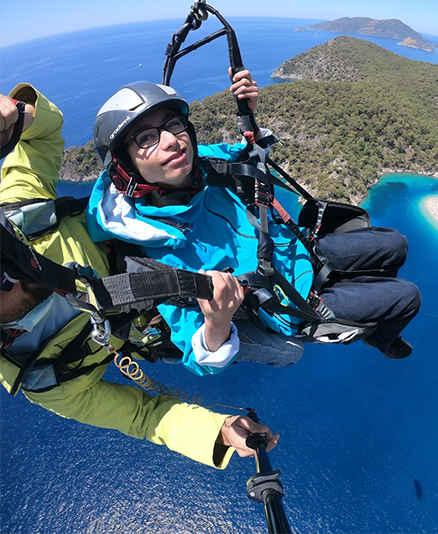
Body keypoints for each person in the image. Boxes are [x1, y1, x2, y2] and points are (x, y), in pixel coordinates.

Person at [0, 84, 278, 469]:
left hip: (149, 226)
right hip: (167, 310)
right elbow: (144, 417)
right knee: (284, 341)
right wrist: (219, 431)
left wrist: (15, 115)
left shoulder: (19, 215)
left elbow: (45, 129)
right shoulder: (47, 381)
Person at [86, 70, 421, 376]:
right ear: (124, 168)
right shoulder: (154, 249)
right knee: (407, 297)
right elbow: (197, 352)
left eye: (173, 124)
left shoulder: (203, 166)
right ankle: (382, 338)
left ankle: (362, 290)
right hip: (291, 302)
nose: (172, 140)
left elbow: (249, 151)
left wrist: (249, 113)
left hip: (300, 251)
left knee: (396, 245)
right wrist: (217, 321)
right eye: (146, 138)